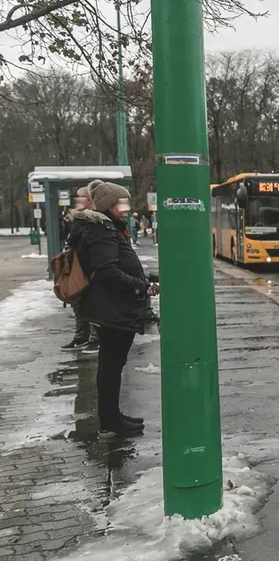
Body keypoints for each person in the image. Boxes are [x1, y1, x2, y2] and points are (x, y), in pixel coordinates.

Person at [75, 180, 158, 439]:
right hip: (113, 309)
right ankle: (110, 422)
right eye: (120, 202)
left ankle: (112, 416)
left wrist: (142, 280)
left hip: (113, 307)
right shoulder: (101, 231)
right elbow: (107, 271)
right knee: (111, 366)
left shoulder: (105, 227)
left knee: (111, 365)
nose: (126, 207)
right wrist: (139, 287)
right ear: (108, 206)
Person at [61, 186, 100, 353]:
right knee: (78, 303)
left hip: (89, 268)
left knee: (91, 304)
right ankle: (81, 337)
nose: (78, 201)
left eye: (82, 198)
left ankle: (94, 338)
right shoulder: (77, 220)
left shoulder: (92, 220)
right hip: (79, 267)